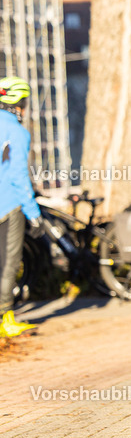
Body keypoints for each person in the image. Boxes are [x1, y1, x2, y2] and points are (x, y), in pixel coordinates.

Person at [0, 76, 42, 337]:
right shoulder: (16, 131)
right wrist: (34, 213)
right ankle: (6, 318)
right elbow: (17, 175)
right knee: (9, 262)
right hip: (9, 204)